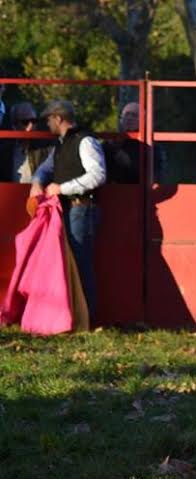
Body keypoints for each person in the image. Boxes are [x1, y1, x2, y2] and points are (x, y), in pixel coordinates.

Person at [29, 100, 107, 321]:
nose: (47, 124)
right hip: (70, 209)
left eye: (48, 119)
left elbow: (98, 175)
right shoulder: (63, 144)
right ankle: (77, 316)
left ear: (58, 118)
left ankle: (87, 318)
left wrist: (62, 188)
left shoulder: (86, 141)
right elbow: (47, 168)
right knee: (73, 264)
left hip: (82, 207)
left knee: (81, 263)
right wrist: (37, 181)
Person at [0, 102, 54, 183]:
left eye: (34, 121)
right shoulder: (5, 151)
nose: (30, 126)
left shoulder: (47, 150)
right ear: (14, 126)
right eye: (25, 122)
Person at [103, 102, 143, 183]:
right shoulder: (111, 141)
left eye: (134, 115)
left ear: (143, 120)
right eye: (127, 114)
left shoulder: (148, 145)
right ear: (121, 118)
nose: (129, 118)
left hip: (136, 189)